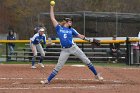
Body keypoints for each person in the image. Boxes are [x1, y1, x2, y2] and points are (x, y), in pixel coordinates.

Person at [40, 4, 103, 84]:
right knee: (58, 66)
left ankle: (96, 75)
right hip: (64, 50)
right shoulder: (59, 28)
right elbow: (52, 18)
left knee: (86, 60)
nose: (71, 23)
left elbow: (81, 36)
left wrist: (90, 40)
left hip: (73, 48)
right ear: (66, 22)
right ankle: (48, 80)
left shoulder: (72, 30)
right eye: (70, 21)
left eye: (71, 22)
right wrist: (52, 7)